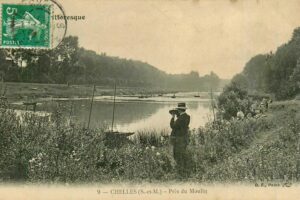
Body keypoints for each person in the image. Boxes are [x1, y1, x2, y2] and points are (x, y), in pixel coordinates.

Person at [169, 102, 190, 177]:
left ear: (180, 110)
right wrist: (177, 116)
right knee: (182, 153)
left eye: (178, 110)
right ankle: (183, 169)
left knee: (176, 154)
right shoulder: (187, 117)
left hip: (178, 138)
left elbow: (173, 126)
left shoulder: (180, 118)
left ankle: (179, 171)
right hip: (184, 137)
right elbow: (182, 126)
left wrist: (172, 117)